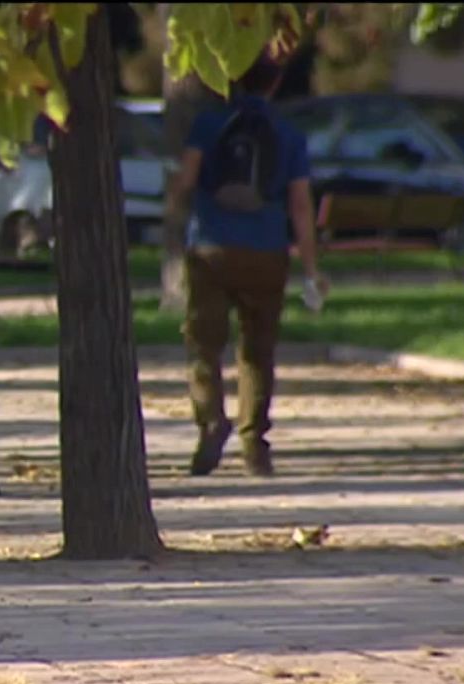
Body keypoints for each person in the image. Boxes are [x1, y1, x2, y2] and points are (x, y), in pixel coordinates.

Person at [164, 53, 327, 477]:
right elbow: (300, 205)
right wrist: (310, 268)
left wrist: (173, 233)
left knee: (203, 346)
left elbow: (184, 181)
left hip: (211, 248)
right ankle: (254, 444)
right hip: (267, 250)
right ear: (274, 85)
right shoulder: (288, 134)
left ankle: (211, 421)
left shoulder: (208, 124)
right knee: (257, 350)